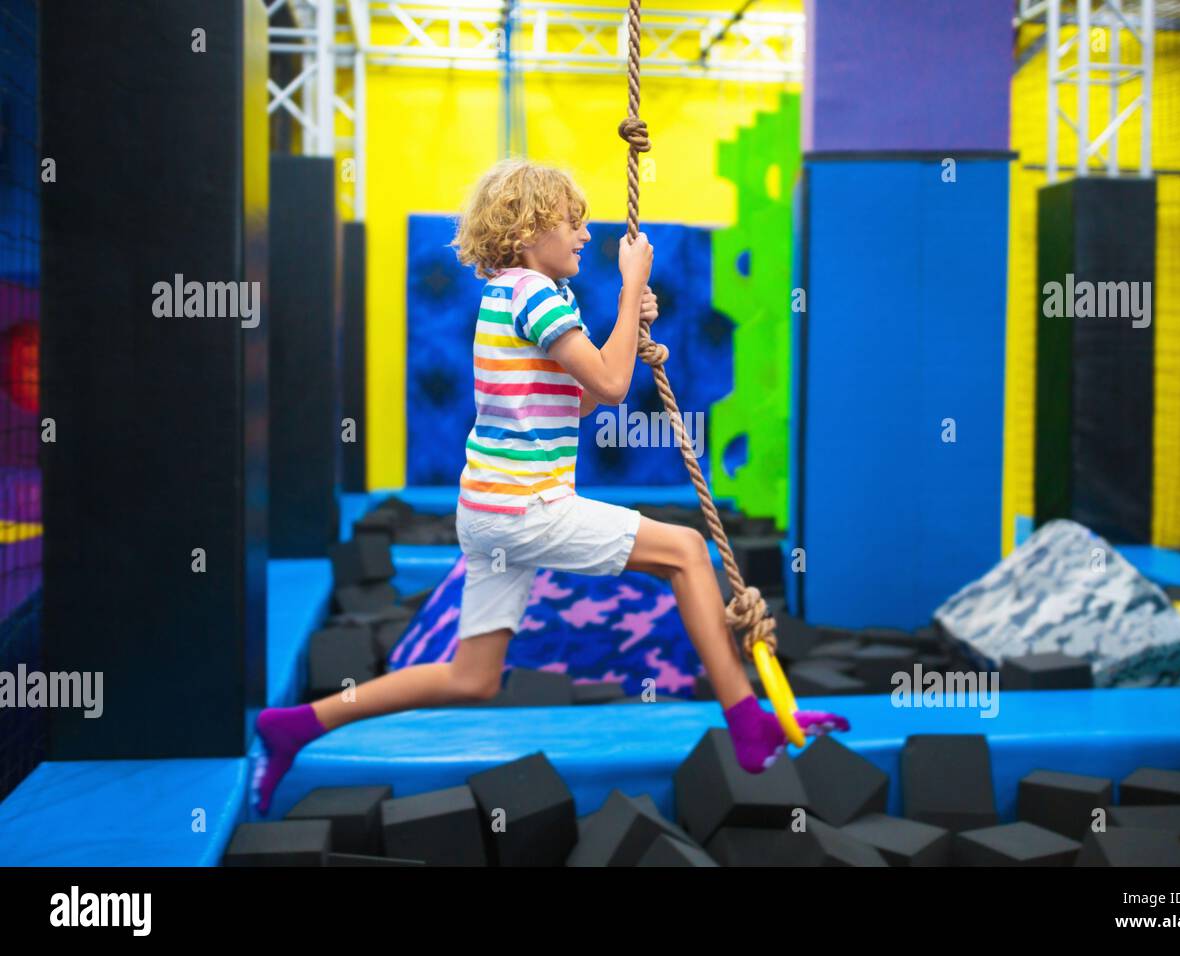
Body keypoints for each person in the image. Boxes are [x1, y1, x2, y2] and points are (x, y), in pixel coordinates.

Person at [252, 159, 848, 815]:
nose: (586, 236)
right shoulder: (533, 294)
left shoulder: (513, 296)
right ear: (530, 227)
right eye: (574, 222)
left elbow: (583, 403)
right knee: (684, 550)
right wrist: (629, 292)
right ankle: (746, 721)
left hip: (489, 510)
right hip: (524, 506)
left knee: (471, 678)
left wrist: (632, 324)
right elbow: (614, 386)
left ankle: (300, 725)